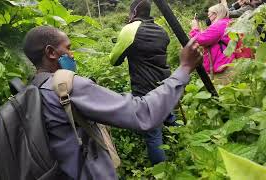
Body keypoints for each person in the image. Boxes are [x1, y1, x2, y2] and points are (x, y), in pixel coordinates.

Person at [23, 26, 202, 179]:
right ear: (51, 52)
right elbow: (143, 113)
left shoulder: (30, 91)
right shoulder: (67, 86)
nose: (72, 55)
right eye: (68, 48)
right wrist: (184, 68)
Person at [109, 0, 177, 165]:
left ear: (133, 13)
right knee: (169, 116)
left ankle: (161, 172)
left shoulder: (130, 29)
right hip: (165, 82)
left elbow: (114, 60)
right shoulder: (161, 30)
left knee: (153, 133)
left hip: (145, 88)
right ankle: (181, 145)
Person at [190, 3, 234, 78]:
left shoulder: (219, 25)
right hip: (228, 62)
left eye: (209, 15)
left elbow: (200, 40)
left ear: (215, 14)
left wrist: (195, 28)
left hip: (223, 66)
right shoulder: (227, 22)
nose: (208, 17)